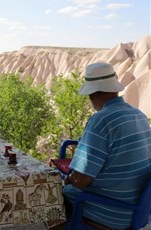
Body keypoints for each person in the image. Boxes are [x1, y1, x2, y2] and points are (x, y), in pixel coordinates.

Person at [63, 62, 151, 229]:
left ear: (91, 94)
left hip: (110, 213)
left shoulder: (101, 120)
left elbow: (80, 181)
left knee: (53, 200)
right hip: (136, 211)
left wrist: (66, 180)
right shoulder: (138, 114)